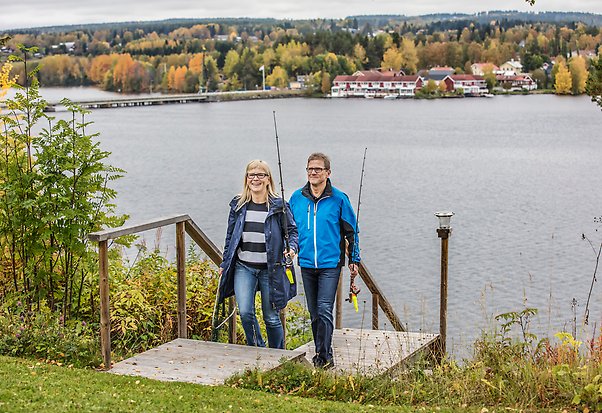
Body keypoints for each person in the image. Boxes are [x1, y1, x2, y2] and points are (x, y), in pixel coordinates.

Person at [289, 152, 360, 369]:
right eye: (310, 169)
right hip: (307, 263)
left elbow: (351, 232)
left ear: (328, 173)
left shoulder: (339, 199)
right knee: (313, 312)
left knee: (323, 308)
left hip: (331, 263)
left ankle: (324, 356)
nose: (313, 172)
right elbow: (290, 230)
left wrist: (353, 259)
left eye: (318, 169)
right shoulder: (296, 198)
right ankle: (321, 352)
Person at [218, 160, 298, 349]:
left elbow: (293, 232)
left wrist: (292, 248)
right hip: (243, 267)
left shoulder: (279, 206)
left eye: (260, 175)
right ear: (246, 179)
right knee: (245, 312)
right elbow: (230, 236)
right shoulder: (238, 205)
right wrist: (224, 263)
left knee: (271, 316)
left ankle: (278, 354)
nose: (255, 178)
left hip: (271, 269)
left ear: (268, 179)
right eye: (251, 175)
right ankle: (258, 350)